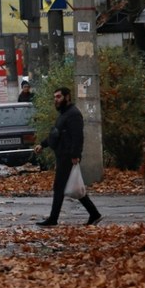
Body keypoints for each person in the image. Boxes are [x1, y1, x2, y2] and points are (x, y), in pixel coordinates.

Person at [33, 87, 102, 226]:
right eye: (55, 97)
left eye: (58, 97)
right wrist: (43, 144)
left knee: (59, 187)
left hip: (68, 156)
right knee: (73, 186)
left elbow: (78, 137)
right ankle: (94, 214)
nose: (56, 100)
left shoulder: (73, 114)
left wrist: (75, 155)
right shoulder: (64, 114)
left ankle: (53, 219)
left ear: (67, 97)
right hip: (63, 155)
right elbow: (56, 135)